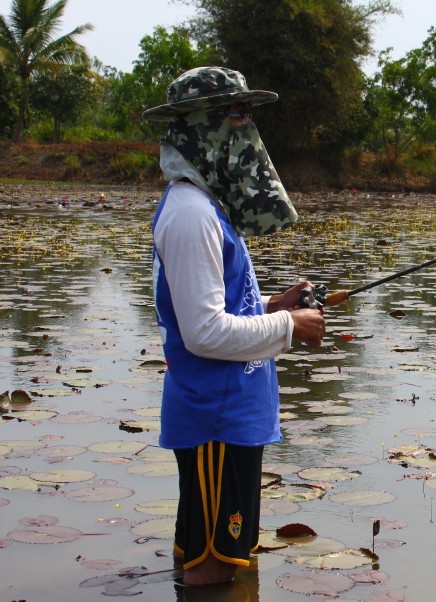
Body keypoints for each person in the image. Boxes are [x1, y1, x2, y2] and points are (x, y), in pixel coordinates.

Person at [143, 66, 326, 587]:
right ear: (205, 127)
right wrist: (288, 326)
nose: (246, 131)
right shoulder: (191, 214)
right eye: (236, 116)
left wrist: (272, 305)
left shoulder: (206, 205)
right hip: (214, 422)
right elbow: (202, 333)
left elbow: (215, 309)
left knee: (226, 563)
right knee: (214, 569)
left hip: (232, 419)